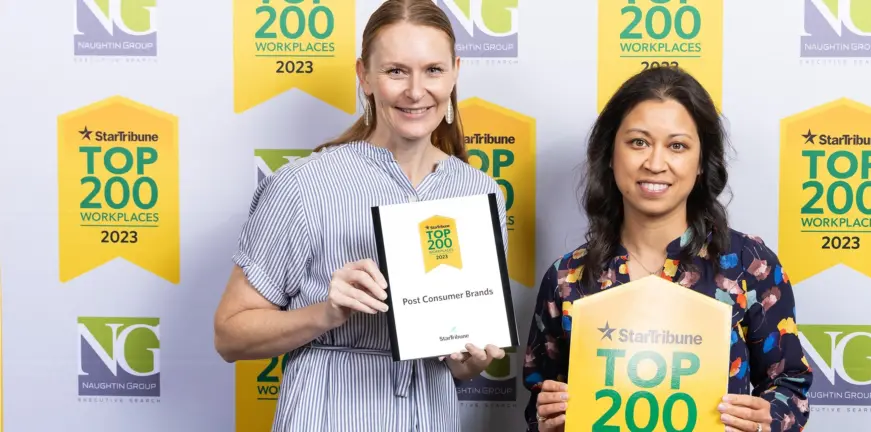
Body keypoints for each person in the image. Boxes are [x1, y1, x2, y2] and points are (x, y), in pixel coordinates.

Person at [212, 1, 507, 430]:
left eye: (433, 70)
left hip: (431, 415)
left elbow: (461, 367)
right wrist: (326, 313)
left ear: (455, 72)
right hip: (330, 412)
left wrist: (471, 361)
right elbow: (228, 335)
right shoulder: (303, 184)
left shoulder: (480, 192)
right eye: (395, 71)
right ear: (364, 76)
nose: (415, 90)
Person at [522, 66, 814, 432]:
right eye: (638, 142)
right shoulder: (568, 277)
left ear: (701, 164)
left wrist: (764, 420)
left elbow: (791, 386)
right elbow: (538, 402)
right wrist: (547, 416)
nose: (655, 163)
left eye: (677, 146)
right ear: (611, 154)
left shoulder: (748, 265)